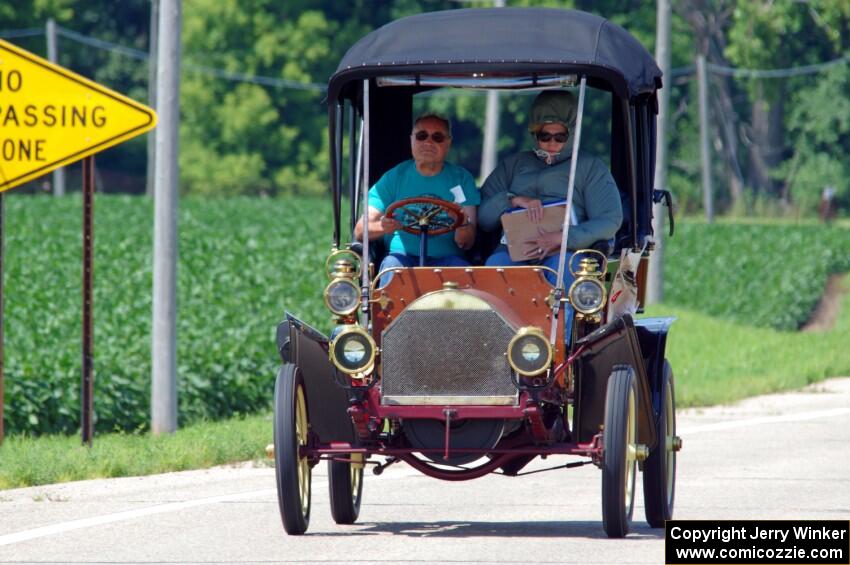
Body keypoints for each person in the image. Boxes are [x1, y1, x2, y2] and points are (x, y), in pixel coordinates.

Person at [478, 90, 623, 334]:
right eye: (545, 136)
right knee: (495, 268)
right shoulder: (513, 165)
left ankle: (557, 353)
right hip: (515, 251)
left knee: (564, 272)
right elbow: (482, 218)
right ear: (535, 134)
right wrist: (512, 201)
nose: (552, 144)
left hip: (564, 251)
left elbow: (610, 219)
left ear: (572, 134)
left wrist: (564, 238)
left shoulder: (588, 167)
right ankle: (498, 353)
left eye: (560, 136)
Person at [354, 113, 479, 286]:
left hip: (448, 260)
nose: (428, 142)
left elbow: (468, 241)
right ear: (412, 140)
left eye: (437, 137)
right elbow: (360, 230)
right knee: (391, 267)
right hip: (401, 259)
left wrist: (462, 222)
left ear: (448, 143)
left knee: (465, 273)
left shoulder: (461, 179)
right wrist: (382, 226)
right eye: (422, 136)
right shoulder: (394, 178)